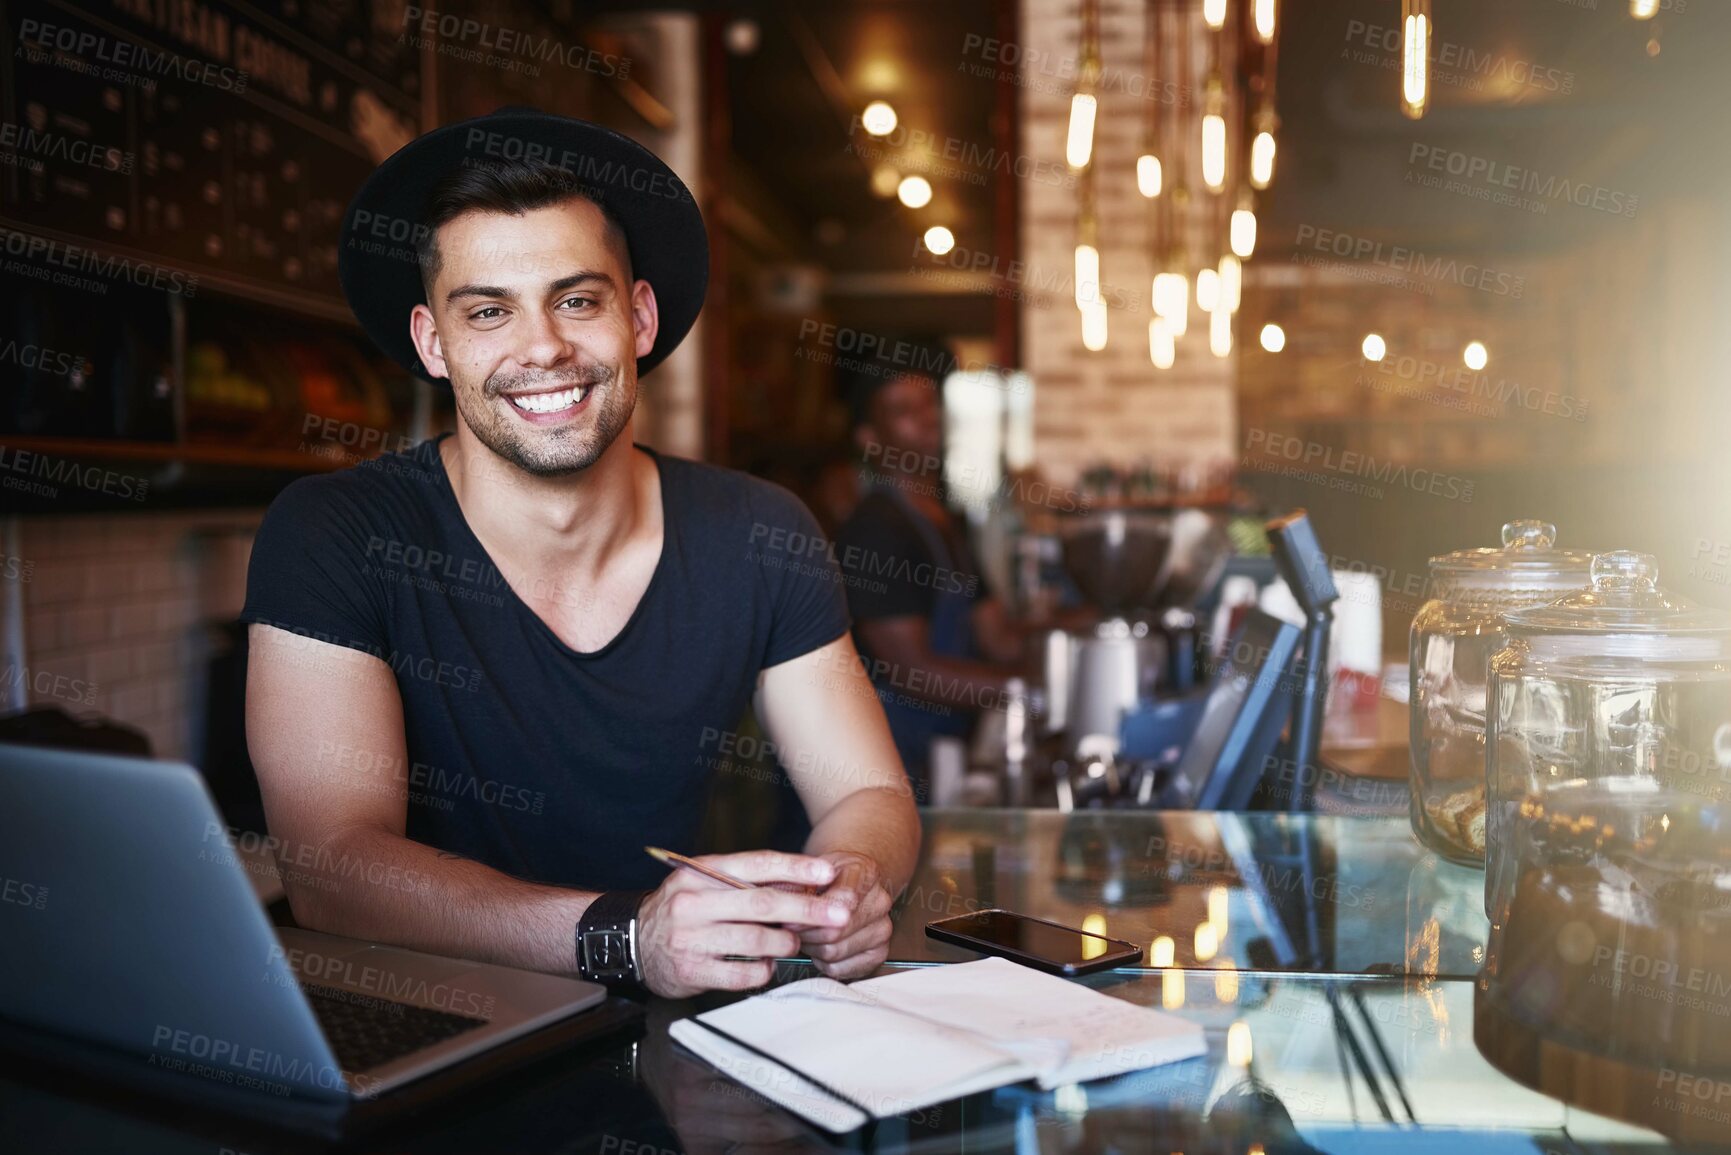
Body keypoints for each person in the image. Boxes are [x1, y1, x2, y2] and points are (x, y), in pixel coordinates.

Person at [241, 108, 920, 999]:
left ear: (637, 317)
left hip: (671, 1026)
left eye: (577, 299)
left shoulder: (761, 531)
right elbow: (329, 866)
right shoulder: (334, 532)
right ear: (432, 343)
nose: (544, 348)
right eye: (489, 311)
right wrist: (623, 938)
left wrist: (850, 882)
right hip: (423, 1035)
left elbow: (869, 792)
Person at [834, 354, 1028, 791]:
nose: (927, 420)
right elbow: (909, 669)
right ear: (868, 439)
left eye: (929, 404)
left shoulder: (947, 521)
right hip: (887, 766)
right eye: (904, 411)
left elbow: (997, 636)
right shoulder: (877, 529)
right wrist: (1028, 694)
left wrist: (1077, 639)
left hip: (945, 751)